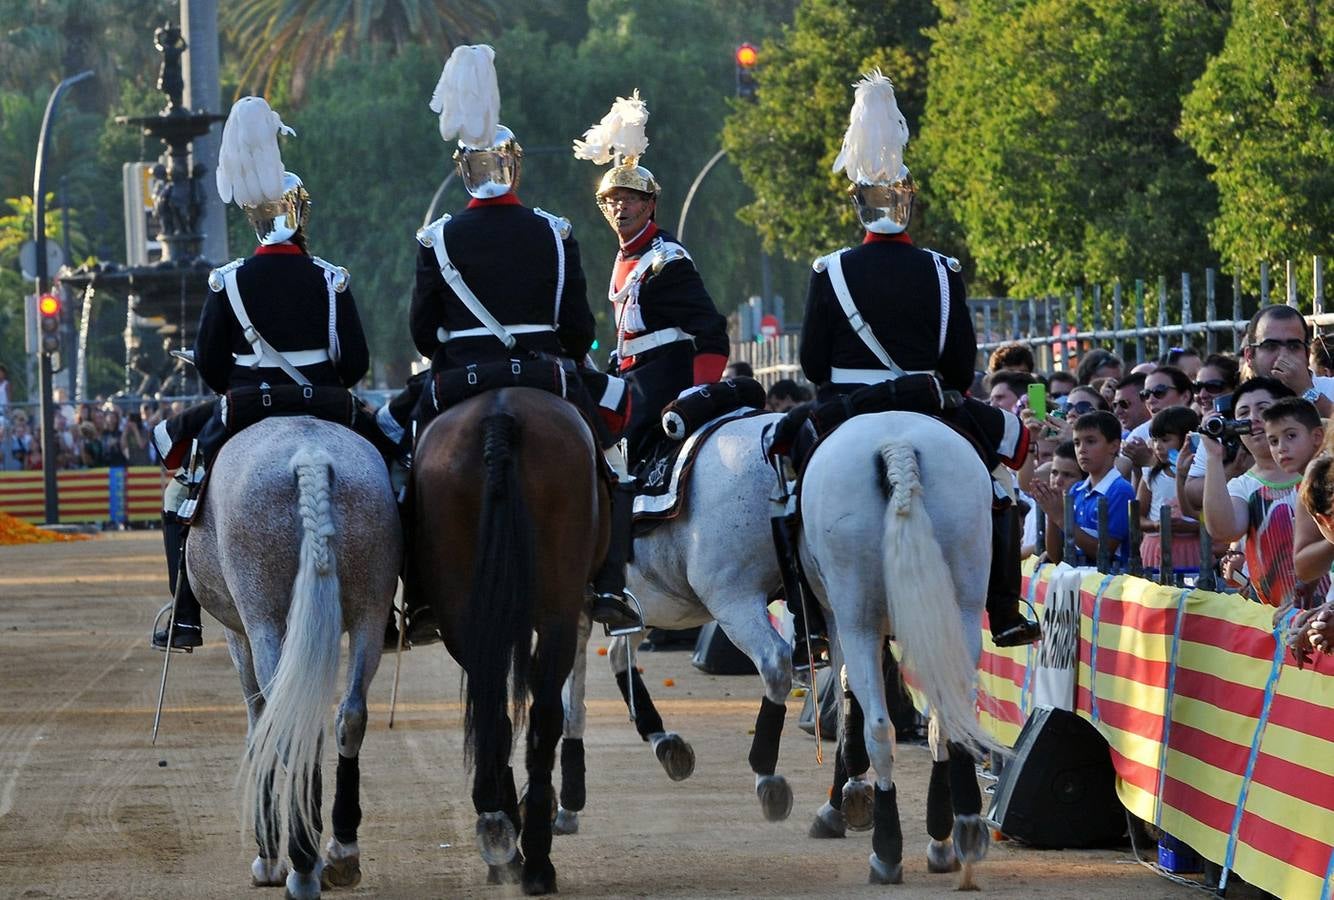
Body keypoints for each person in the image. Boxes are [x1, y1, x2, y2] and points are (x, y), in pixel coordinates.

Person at [782, 70, 1039, 649]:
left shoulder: (831, 271)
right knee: (999, 487)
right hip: (931, 405)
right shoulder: (944, 271)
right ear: (908, 205)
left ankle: (804, 619)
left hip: (846, 407)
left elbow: (813, 365)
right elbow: (958, 366)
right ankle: (1002, 609)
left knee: (786, 486)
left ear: (858, 206)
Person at [151, 97, 372, 651]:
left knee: (182, 492)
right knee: (396, 473)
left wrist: (242, 388)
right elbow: (354, 364)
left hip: (246, 407)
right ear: (300, 214)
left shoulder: (228, 281)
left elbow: (209, 362)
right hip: (325, 404)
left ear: (255, 215)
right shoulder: (330, 279)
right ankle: (394, 599)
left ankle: (183, 613)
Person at [574, 88, 729, 630]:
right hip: (630, 374)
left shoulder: (668, 260)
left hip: (663, 379)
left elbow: (711, 331)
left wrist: (697, 390)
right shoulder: (624, 257)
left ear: (649, 205)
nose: (619, 208)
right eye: (611, 201)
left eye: (629, 201)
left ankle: (615, 574)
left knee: (614, 463)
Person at [1198, 378, 1298, 607]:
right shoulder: (1241, 486)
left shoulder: (1319, 470)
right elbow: (1224, 530)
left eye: (1263, 409)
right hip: (1275, 618)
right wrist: (1213, 457)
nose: (1252, 419)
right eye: (1243, 413)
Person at [1031, 410, 1135, 568]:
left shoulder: (1120, 490)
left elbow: (1104, 552)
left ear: (1114, 446)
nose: (1082, 449)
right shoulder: (1076, 490)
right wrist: (1052, 515)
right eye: (1077, 443)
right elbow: (1057, 557)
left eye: (1091, 441)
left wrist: (1060, 517)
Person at [1136, 406, 1201, 577]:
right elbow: (1136, 517)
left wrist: (1192, 527)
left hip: (1191, 549)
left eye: (1165, 440)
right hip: (1154, 548)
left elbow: (1213, 520)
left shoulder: (1201, 477)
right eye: (1155, 440)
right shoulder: (1150, 474)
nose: (1158, 446)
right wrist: (1157, 525)